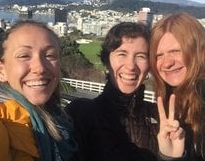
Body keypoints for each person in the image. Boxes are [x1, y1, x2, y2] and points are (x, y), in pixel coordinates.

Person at [66, 21, 185, 161]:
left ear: (149, 66)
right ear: (107, 61)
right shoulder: (82, 113)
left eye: (141, 56)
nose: (131, 66)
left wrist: (170, 157)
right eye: (122, 54)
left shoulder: (161, 119)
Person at [0, 20, 77, 161]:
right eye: (24, 56)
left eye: (49, 55)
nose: (40, 68)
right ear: (1, 71)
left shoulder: (64, 120)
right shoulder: (3, 121)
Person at [149, 12, 205, 161]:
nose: (167, 63)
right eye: (159, 55)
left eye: (175, 51)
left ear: (199, 52)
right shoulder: (171, 103)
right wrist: (171, 157)